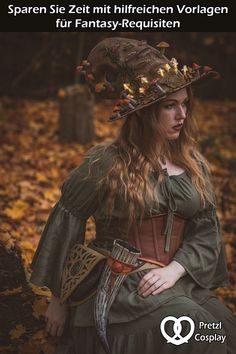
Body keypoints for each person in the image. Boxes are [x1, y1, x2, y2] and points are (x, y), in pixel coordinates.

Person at [29, 37, 236, 354]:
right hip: (122, 286)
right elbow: (66, 219)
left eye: (184, 104)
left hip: (175, 280)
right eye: (170, 106)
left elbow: (205, 229)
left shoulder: (193, 163)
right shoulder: (106, 162)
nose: (181, 114)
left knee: (223, 331)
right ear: (144, 113)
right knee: (200, 336)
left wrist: (175, 269)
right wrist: (58, 298)